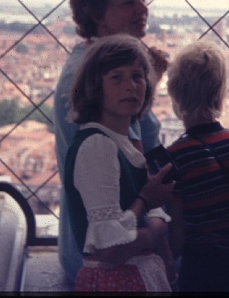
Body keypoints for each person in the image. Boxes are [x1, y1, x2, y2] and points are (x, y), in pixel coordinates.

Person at [54, 0, 168, 283]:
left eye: (142, 1)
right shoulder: (94, 73)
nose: (142, 10)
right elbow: (139, 157)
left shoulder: (94, 65)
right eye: (128, 2)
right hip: (110, 261)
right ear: (97, 15)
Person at [63, 34, 176, 292]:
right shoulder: (97, 145)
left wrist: (148, 226)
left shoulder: (119, 142)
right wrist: (147, 204)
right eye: (117, 77)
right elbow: (110, 248)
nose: (131, 86)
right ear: (95, 87)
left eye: (138, 76)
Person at [164, 41, 229, 292]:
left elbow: (177, 237)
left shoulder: (174, 156)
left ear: (175, 93)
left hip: (198, 267)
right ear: (220, 93)